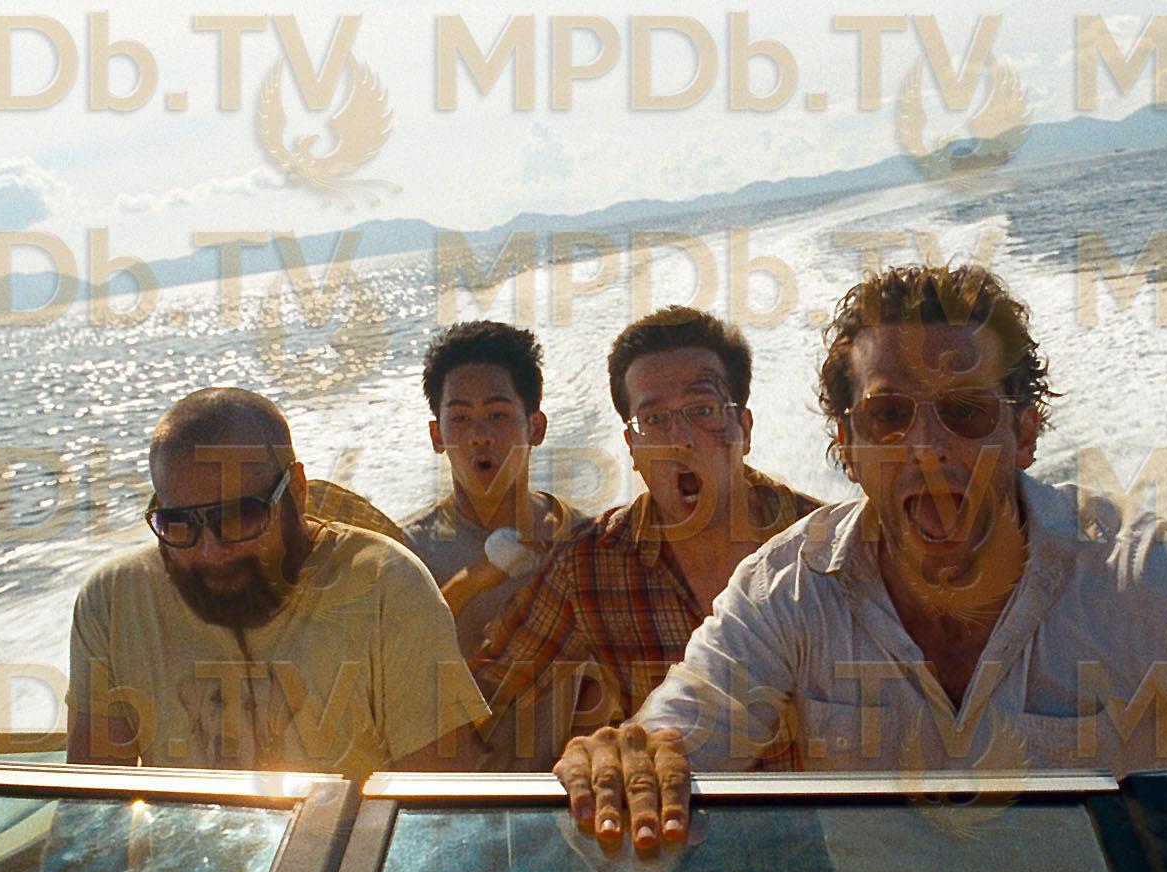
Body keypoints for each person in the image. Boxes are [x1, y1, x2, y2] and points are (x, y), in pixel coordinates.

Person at [554, 265, 1167, 849]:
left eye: (966, 412)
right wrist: (632, 755)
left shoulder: (1131, 577)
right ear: (846, 443)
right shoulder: (789, 590)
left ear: (1025, 432)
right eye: (889, 417)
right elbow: (680, 733)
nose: (928, 449)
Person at [66, 387, 487, 778]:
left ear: (297, 490)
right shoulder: (114, 602)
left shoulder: (387, 589)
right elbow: (95, 807)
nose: (211, 552)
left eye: (239, 516)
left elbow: (438, 812)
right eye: (179, 523)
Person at [467, 306, 821, 770]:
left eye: (703, 410)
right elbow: (481, 693)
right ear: (632, 447)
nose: (680, 439)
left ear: (745, 428)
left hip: (829, 814)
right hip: (670, 811)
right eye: (653, 420)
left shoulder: (827, 550)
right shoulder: (591, 564)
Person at [401, 321, 585, 660]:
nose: (479, 435)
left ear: (536, 427)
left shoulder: (583, 539)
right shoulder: (408, 555)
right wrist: (468, 583)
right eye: (459, 419)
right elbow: (393, 671)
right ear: (437, 436)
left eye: (498, 415)